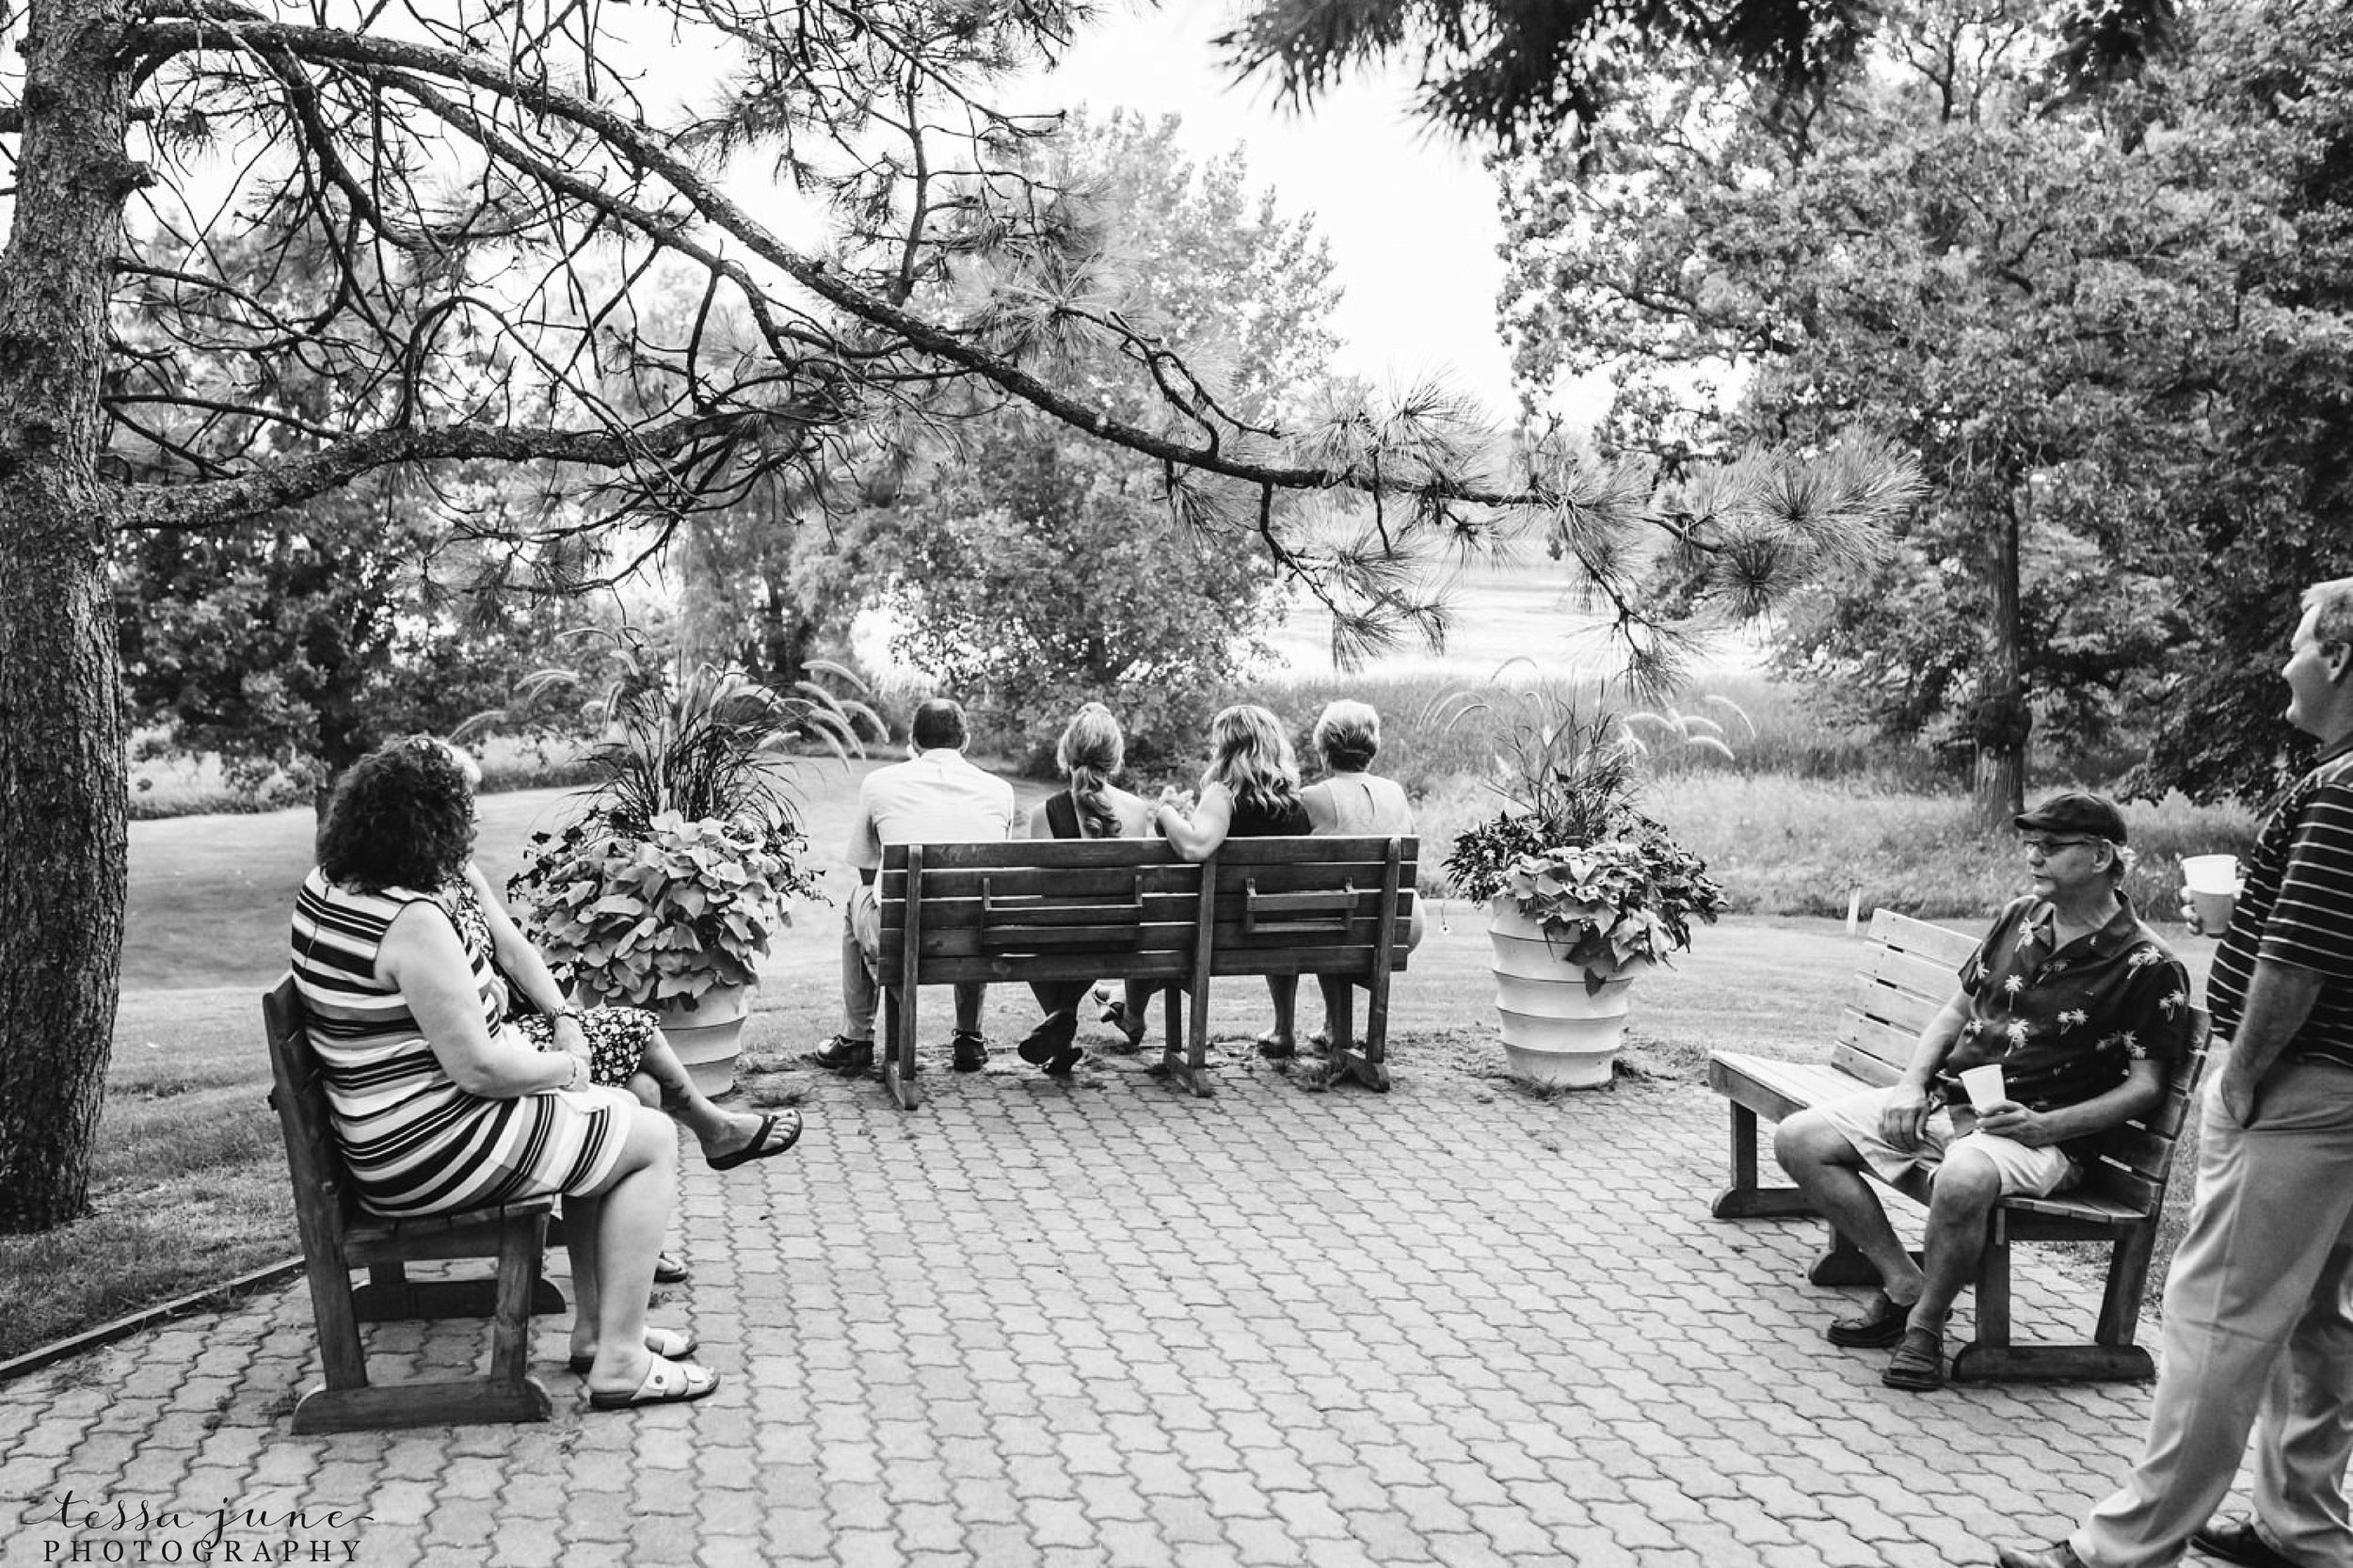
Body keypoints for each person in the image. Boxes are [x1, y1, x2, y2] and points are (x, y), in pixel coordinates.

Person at [2001, 579, 2353, 1568]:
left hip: (2301, 1091)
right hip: (2341, 1095)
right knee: (2317, 1319)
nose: (2282, 662)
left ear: (2336, 658)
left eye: (2292, 644)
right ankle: (2304, 1532)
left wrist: (2239, 1078)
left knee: (2215, 1319)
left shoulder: (2342, 789)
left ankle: (2124, 1548)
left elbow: (2298, 957)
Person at [290, 736, 754, 1410]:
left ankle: (600, 1333)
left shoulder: (333, 882)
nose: (471, 824)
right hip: (425, 1146)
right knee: (651, 1137)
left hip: (390, 1127)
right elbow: (478, 1067)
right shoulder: (411, 921)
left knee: (614, 1116)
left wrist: (563, 1048)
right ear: (424, 821)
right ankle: (621, 1364)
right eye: (462, 811)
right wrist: (565, 1068)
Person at [1773, 789, 2196, 1393]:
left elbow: (2147, 1086)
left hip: (2041, 1134)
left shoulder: (2147, 965)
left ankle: (1924, 1326)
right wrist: (1912, 1086)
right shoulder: (2020, 915)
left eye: (2051, 846)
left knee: (1963, 1178)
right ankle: (1903, 1284)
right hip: (1955, 1101)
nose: (2034, 857)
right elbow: (1955, 1011)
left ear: (2101, 856)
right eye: (2030, 845)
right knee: (1799, 1139)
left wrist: (2047, 1128)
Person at [808, 697, 1017, 1077]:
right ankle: (969, 1039)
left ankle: (856, 1039)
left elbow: (867, 873)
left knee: (856, 901)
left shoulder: (880, 784)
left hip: (901, 936)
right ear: (965, 741)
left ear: (913, 742)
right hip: (976, 938)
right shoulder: (1000, 790)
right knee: (977, 904)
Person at [1262, 699, 1427, 1056]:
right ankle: (1335, 1029)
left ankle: (1283, 1030)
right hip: (1400, 924)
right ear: (1373, 748)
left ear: (1323, 748)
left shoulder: (1311, 798)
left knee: (1298, 911)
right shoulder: (1396, 793)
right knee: (1341, 910)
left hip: (1343, 922)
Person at [1154, 703, 1314, 1052]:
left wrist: (1166, 814)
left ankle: (1134, 1009)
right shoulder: (1295, 805)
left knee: (1167, 922)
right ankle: (1283, 1030)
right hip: (1287, 932)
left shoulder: (1224, 795)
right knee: (1275, 910)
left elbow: (1196, 847)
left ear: (1226, 748)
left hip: (1225, 935)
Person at [1013, 702, 1160, 1077]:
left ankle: (1059, 1022)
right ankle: (1060, 1025)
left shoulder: (1044, 813)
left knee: (1017, 937)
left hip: (1061, 935)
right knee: (1082, 931)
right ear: (1115, 756)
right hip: (1118, 934)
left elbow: (1041, 888)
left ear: (1067, 752)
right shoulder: (1137, 810)